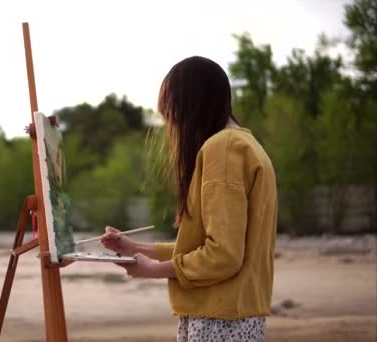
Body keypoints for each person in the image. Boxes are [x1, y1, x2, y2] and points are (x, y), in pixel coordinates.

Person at [101, 56, 277, 342]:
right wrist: (137, 248)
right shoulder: (246, 144)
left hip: (221, 320)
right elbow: (212, 246)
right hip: (235, 313)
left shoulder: (223, 148)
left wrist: (154, 270)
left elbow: (222, 255)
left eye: (172, 115)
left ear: (190, 106)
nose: (173, 127)